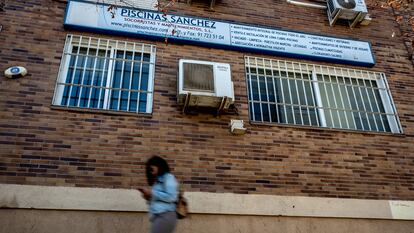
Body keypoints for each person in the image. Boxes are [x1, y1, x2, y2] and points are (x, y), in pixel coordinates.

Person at [139, 156, 178, 233]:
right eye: (149, 167)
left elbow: (172, 197)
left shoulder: (168, 177)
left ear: (159, 165)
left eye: (153, 165)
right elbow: (158, 200)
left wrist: (152, 193)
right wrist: (148, 197)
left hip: (166, 214)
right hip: (157, 216)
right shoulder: (156, 181)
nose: (150, 168)